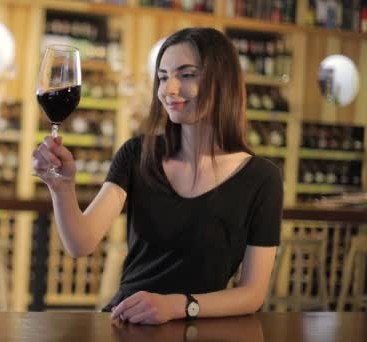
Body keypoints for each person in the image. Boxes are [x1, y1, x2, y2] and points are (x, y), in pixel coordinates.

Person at [32, 27, 283, 325]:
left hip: (199, 327)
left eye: (186, 75)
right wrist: (62, 189)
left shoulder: (262, 179)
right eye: (163, 77)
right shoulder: (138, 154)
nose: (169, 89)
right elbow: (81, 243)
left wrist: (177, 306)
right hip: (126, 323)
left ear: (222, 81)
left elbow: (252, 294)